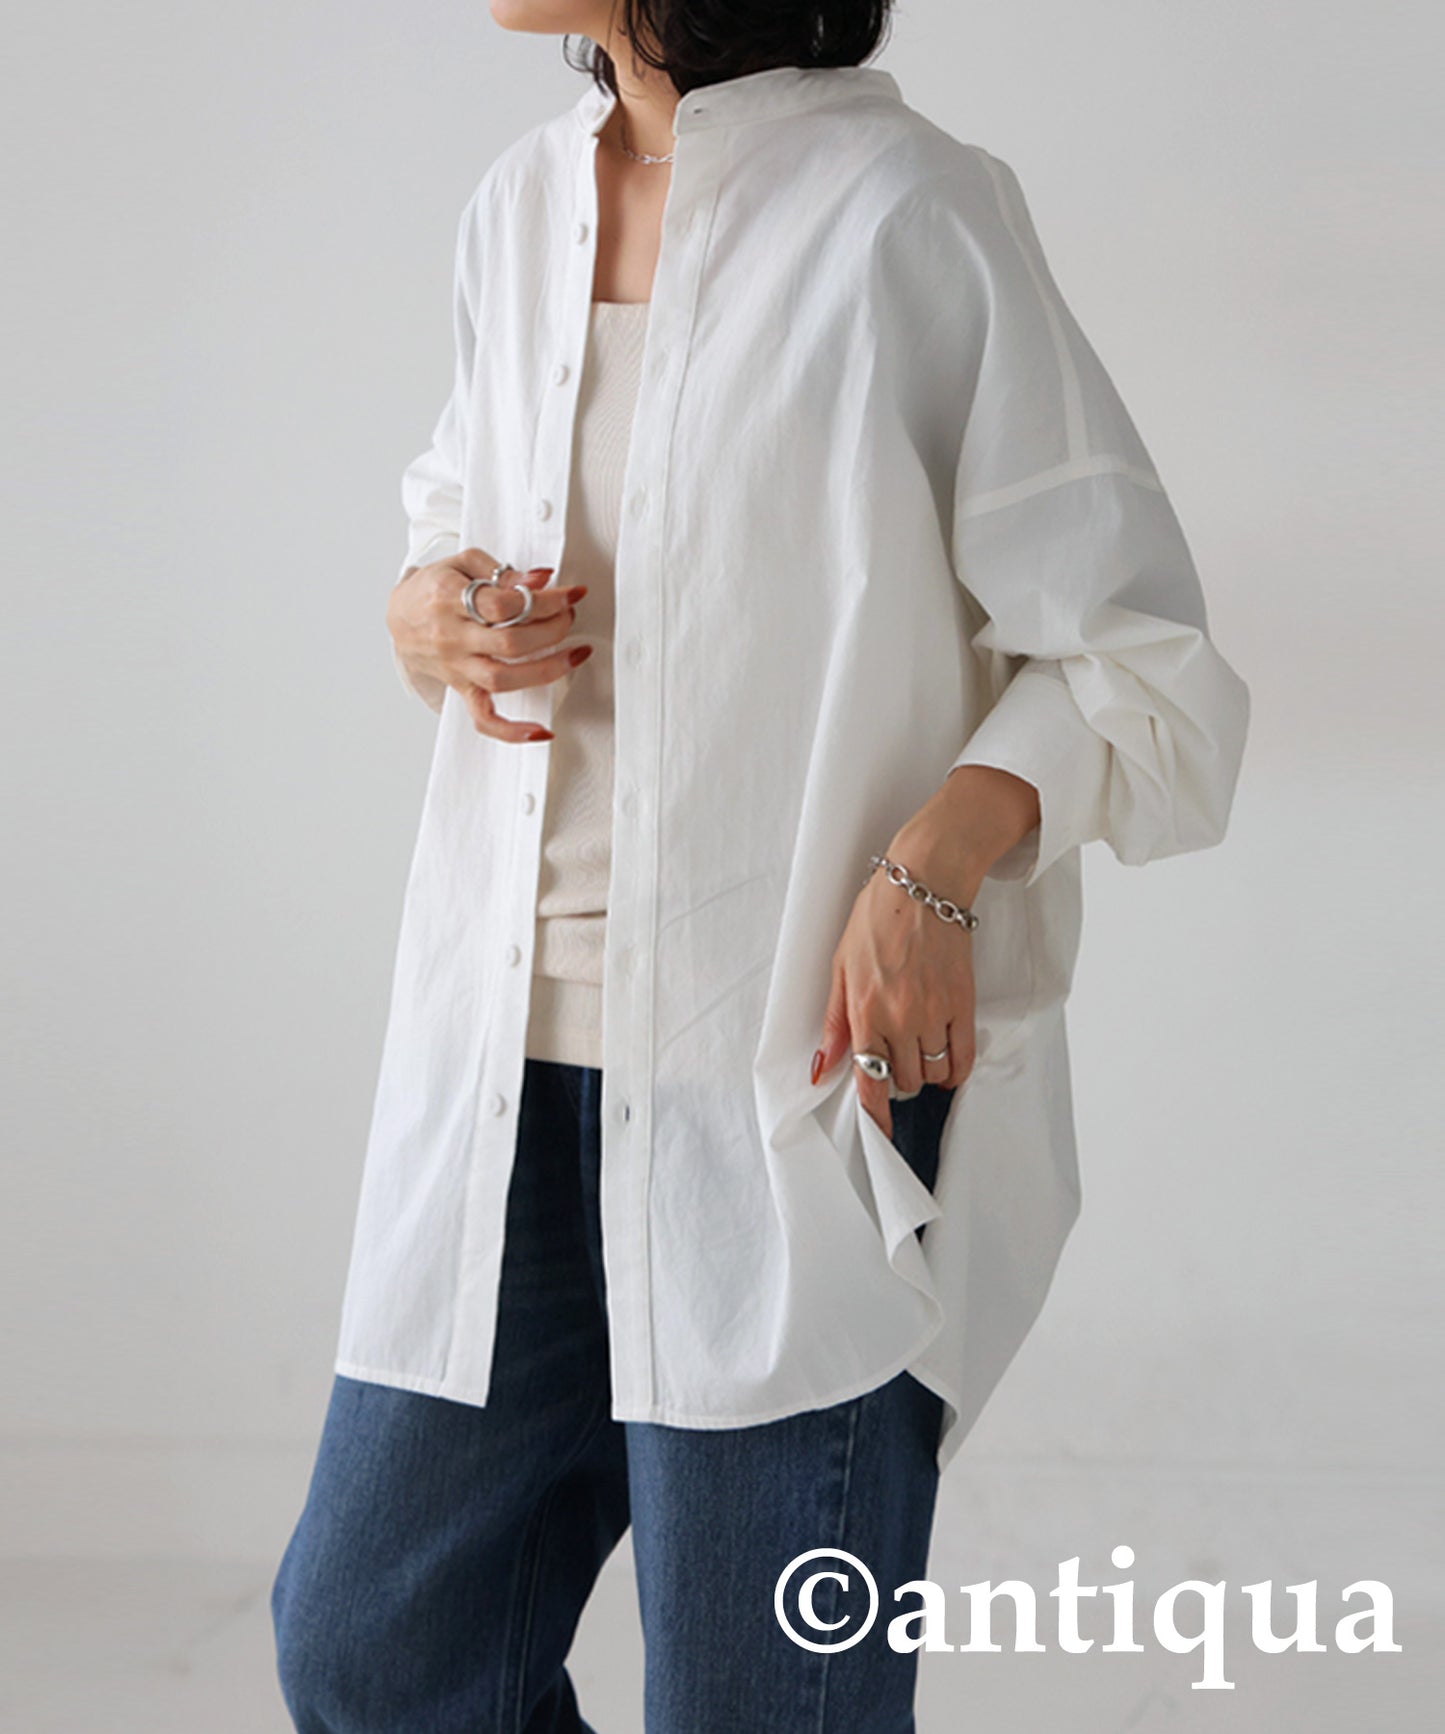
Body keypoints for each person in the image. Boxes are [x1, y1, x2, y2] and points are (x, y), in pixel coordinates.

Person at [271, 3, 1251, 1729]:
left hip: (785, 1086)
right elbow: (455, 518)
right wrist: (431, 614)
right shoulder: (517, 209)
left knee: (754, 1702)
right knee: (373, 1646)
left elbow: (1137, 658)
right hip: (502, 1085)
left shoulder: (907, 209)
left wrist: (935, 862)